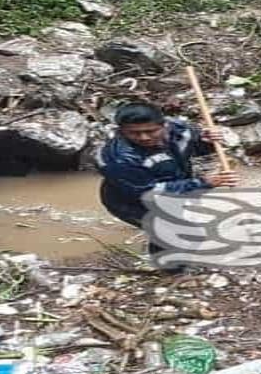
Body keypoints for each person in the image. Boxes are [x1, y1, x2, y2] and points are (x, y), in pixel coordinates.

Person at [96, 102, 238, 268]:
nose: (144, 138)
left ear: (164, 125)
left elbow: (191, 148)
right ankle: (171, 272)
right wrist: (202, 183)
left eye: (151, 131)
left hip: (172, 183)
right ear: (121, 131)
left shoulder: (179, 129)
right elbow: (148, 193)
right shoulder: (118, 158)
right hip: (132, 201)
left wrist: (206, 141)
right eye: (134, 133)